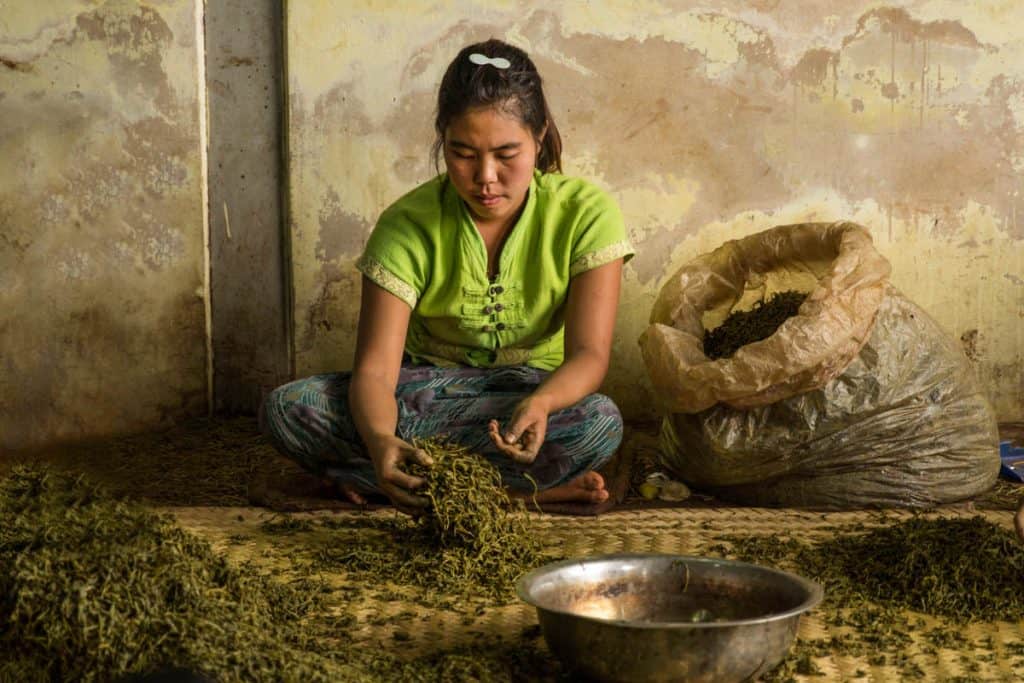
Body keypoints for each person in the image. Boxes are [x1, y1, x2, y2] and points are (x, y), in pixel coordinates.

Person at [261, 38, 635, 514]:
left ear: (539, 135)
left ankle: (393, 484)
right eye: (462, 153)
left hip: (526, 396)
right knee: (287, 408)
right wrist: (379, 439)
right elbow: (376, 371)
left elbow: (589, 355)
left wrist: (541, 404)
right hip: (421, 393)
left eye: (506, 153)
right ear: (442, 139)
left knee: (600, 422)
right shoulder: (407, 223)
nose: (485, 176)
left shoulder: (586, 214)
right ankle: (514, 492)